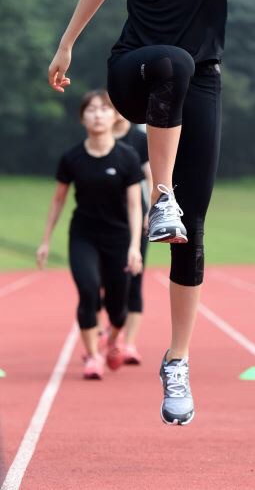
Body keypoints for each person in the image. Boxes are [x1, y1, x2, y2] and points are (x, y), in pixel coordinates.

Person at [47, 0, 255, 424]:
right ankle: (160, 196)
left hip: (200, 83)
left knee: (191, 235)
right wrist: (66, 43)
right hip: (133, 72)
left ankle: (176, 361)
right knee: (169, 58)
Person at [36, 90, 143, 379]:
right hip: (83, 235)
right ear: (82, 117)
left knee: (118, 307)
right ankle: (93, 356)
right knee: (87, 290)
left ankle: (112, 340)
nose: (97, 114)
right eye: (91, 110)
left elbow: (135, 205)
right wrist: (45, 240)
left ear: (115, 116)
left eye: (104, 109)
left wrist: (135, 246)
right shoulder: (71, 158)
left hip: (119, 238)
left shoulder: (128, 157)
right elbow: (58, 199)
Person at [113, 113, 152, 364]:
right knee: (110, 281)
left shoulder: (139, 139)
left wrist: (152, 210)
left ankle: (128, 344)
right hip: (106, 219)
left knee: (135, 279)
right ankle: (111, 332)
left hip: (136, 218)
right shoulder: (101, 137)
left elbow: (150, 175)